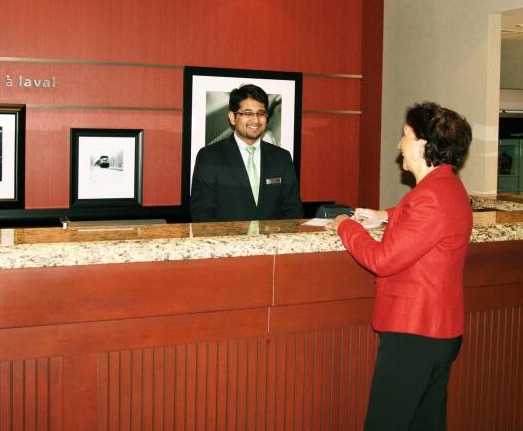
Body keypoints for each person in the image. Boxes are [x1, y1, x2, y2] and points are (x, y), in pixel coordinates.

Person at [329, 101, 473, 431]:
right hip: (438, 330)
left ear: (423, 143)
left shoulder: (430, 196)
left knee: (386, 422)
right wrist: (384, 215)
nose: (399, 145)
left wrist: (345, 226)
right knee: (425, 422)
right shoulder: (448, 187)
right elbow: (426, 221)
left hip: (415, 332)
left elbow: (382, 260)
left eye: (405, 135)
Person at [190, 84, 304, 222]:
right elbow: (202, 215)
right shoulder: (209, 157)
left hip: (274, 236)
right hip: (227, 236)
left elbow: (293, 210)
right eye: (248, 113)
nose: (255, 120)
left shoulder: (282, 157)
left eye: (261, 113)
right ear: (232, 117)